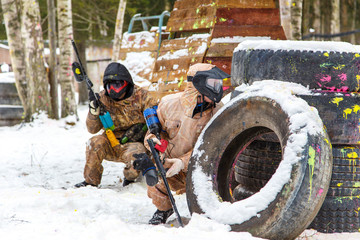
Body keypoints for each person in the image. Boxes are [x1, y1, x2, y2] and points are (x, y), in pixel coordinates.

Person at [140, 63, 230, 224]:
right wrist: (153, 142)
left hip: (203, 169)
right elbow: (152, 133)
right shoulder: (169, 104)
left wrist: (182, 163)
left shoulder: (219, 112)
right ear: (198, 86)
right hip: (169, 166)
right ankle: (164, 209)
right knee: (154, 180)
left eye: (218, 83)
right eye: (213, 84)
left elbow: (215, 150)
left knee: (210, 204)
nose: (218, 88)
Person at [75, 62, 157, 188]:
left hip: (134, 143)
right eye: (109, 86)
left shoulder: (142, 96)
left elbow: (155, 122)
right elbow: (92, 129)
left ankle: (130, 179)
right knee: (94, 143)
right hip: (111, 141)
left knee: (137, 155)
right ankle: (90, 182)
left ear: (127, 83)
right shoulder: (102, 98)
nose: (113, 90)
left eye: (117, 85)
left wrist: (145, 133)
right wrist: (93, 112)